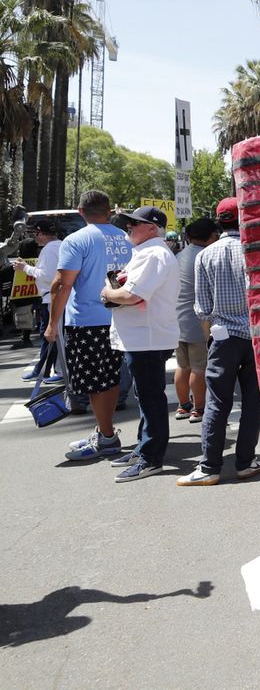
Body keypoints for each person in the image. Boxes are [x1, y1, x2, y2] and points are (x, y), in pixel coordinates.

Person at [177, 198, 260, 487]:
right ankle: (245, 462)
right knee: (253, 401)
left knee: (217, 402)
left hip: (223, 337)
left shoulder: (205, 255)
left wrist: (211, 335)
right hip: (256, 337)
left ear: (219, 222)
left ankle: (209, 467)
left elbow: (202, 307)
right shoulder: (256, 250)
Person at [50, 191, 133, 461]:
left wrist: (52, 323)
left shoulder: (76, 240)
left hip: (88, 321)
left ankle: (107, 437)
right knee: (110, 379)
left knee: (97, 383)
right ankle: (104, 431)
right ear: (109, 211)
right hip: (122, 317)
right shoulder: (127, 238)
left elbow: (63, 284)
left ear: (80, 211)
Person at [102, 206, 181, 482]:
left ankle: (150, 457)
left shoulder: (154, 254)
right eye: (130, 223)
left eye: (136, 223)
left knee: (150, 399)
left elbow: (133, 295)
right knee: (147, 398)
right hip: (141, 337)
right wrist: (115, 292)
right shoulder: (149, 252)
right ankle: (143, 450)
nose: (129, 227)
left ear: (153, 228)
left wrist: (109, 292)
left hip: (147, 338)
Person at [173, 218, 219, 421]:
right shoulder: (205, 256)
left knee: (182, 366)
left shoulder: (178, 255)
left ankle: (183, 405)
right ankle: (198, 409)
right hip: (198, 322)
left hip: (177, 319)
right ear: (210, 236)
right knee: (199, 367)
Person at [17, 219, 63, 382]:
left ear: (42, 234)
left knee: (50, 336)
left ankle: (52, 371)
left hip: (51, 298)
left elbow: (47, 276)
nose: (34, 237)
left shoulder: (50, 250)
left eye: (35, 233)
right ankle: (46, 370)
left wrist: (25, 268)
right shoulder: (58, 245)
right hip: (55, 297)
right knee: (54, 336)